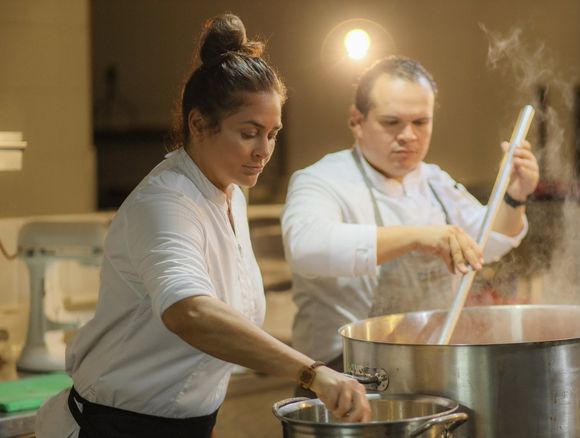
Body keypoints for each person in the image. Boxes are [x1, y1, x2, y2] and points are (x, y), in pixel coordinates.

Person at [35, 13, 370, 438]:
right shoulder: (165, 201)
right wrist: (312, 372)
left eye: (272, 133)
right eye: (249, 132)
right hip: (114, 426)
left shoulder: (233, 195)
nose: (263, 150)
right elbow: (190, 312)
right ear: (198, 124)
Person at [281, 56, 540, 380]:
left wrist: (514, 197)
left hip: (431, 366)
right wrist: (418, 237)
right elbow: (306, 249)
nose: (408, 135)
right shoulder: (322, 180)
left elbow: (486, 242)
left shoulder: (434, 182)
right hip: (343, 372)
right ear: (356, 120)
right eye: (392, 122)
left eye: (421, 122)